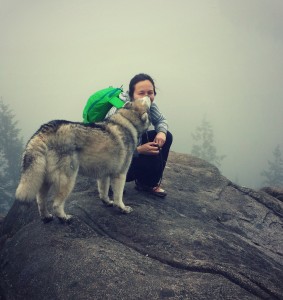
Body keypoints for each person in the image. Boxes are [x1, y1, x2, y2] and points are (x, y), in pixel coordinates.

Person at [108, 73, 173, 197]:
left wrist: (161, 133)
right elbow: (110, 147)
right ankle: (111, 185)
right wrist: (139, 150)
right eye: (141, 93)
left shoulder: (148, 104)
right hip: (114, 162)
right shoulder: (120, 110)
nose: (147, 97)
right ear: (132, 94)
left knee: (167, 136)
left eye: (150, 92)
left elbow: (161, 120)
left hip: (132, 150)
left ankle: (147, 184)